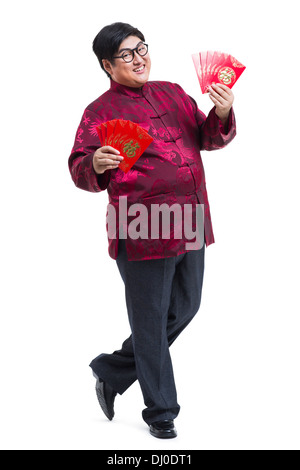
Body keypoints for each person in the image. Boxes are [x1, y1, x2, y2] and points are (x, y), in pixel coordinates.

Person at [68, 22, 236, 439]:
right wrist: (96, 165)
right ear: (108, 65)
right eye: (126, 54)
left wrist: (220, 112)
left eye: (141, 48)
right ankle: (161, 412)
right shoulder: (99, 112)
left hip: (192, 217)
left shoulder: (174, 92)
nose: (139, 57)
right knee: (151, 320)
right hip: (143, 228)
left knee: (186, 307)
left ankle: (111, 370)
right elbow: (78, 168)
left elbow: (207, 138)